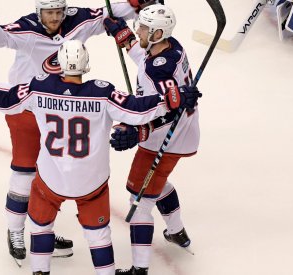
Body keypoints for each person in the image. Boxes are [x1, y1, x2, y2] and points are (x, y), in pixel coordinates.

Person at [0, 40, 201, 275]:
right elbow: (138, 109)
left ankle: (40, 272)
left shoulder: (38, 87)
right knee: (98, 234)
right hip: (91, 183)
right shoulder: (103, 93)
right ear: (86, 64)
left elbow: (7, 99)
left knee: (40, 226)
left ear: (59, 63)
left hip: (51, 180)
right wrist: (172, 98)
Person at [0, 0, 151, 263]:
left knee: (58, 172)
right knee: (25, 170)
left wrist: (135, 4)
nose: (54, 18)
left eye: (58, 12)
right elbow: (0, 38)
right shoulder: (28, 28)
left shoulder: (77, 20)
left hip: (64, 107)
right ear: (38, 12)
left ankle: (42, 228)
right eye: (48, 13)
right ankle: (16, 231)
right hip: (27, 108)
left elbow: (107, 13)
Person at [104, 4, 200, 274]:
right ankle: (177, 231)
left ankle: (140, 269)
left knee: (140, 197)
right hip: (185, 134)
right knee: (156, 183)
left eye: (143, 28)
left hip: (165, 139)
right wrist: (126, 40)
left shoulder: (160, 71)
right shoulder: (172, 47)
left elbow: (171, 110)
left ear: (158, 32)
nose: (137, 29)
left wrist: (139, 132)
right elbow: (148, 61)